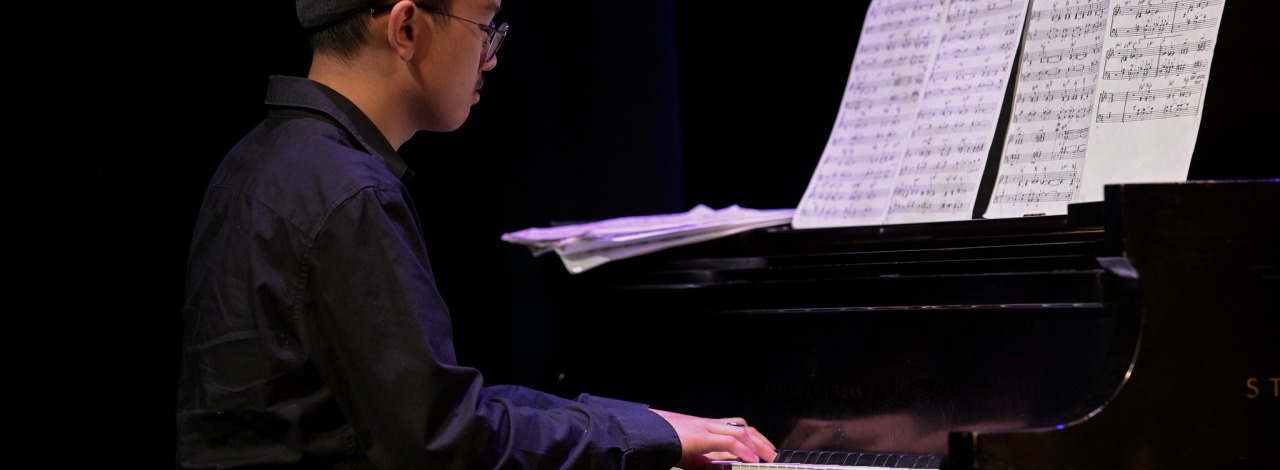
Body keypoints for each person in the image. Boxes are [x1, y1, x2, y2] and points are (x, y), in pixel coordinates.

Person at [175, 0, 778, 468]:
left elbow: (433, 411)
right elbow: (443, 442)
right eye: (487, 26)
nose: (491, 57)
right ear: (407, 28)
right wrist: (640, 437)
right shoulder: (350, 192)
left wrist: (640, 421)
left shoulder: (256, 161)